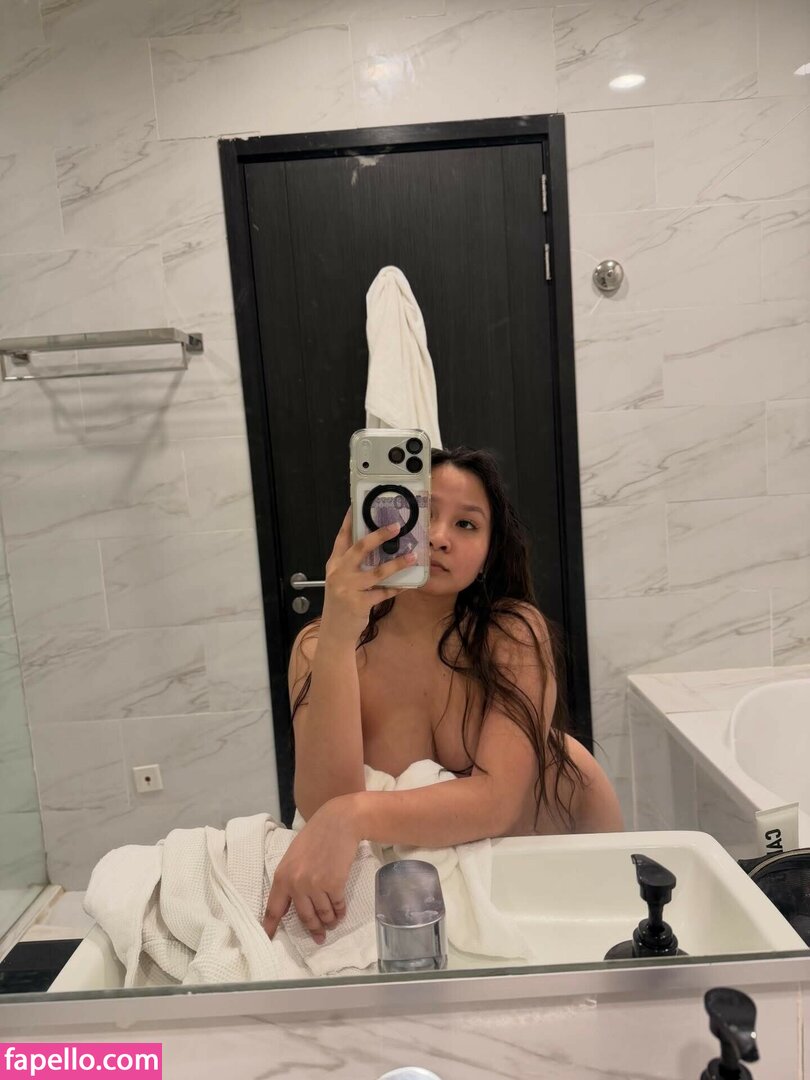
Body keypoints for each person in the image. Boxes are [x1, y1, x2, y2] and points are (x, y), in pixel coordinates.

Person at [263, 446, 623, 942]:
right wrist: (340, 634)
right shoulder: (318, 646)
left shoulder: (512, 636)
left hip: (558, 848)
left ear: (490, 552)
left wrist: (355, 814)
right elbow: (323, 805)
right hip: (419, 905)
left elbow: (496, 802)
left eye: (466, 524)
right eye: (423, 513)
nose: (438, 537)